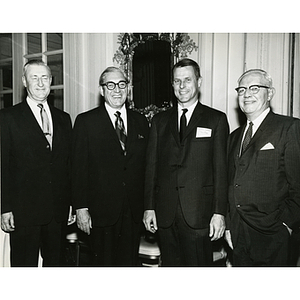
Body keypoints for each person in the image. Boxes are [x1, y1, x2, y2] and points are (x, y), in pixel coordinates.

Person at [143, 58, 229, 266]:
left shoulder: (215, 119)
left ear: (198, 82)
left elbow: (221, 171)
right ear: (172, 84)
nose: (182, 86)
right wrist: (149, 207)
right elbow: (151, 167)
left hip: (200, 214)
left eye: (187, 80)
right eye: (177, 81)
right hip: (166, 213)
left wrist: (219, 213)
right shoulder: (159, 121)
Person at [72, 66, 149, 266]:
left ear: (128, 88)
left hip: (132, 211)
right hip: (100, 213)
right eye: (111, 85)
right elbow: (78, 169)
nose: (117, 90)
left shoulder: (141, 122)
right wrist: (81, 208)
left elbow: (146, 168)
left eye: (122, 84)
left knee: (129, 265)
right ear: (101, 90)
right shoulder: (86, 122)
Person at [0, 60, 72, 267]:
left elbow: (67, 166)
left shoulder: (63, 119)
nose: (40, 83)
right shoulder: (7, 118)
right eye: (34, 77)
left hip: (57, 212)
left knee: (55, 265)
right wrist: (5, 208)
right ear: (24, 81)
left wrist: (70, 204)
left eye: (45, 78)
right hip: (24, 211)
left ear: (51, 81)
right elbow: (2, 166)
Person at [225, 69, 300, 266]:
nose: (247, 94)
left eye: (254, 88)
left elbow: (298, 185)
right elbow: (230, 183)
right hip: (239, 233)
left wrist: (286, 225)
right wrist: (229, 225)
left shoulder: (289, 128)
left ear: (270, 93)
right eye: (241, 90)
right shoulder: (233, 137)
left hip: (274, 235)